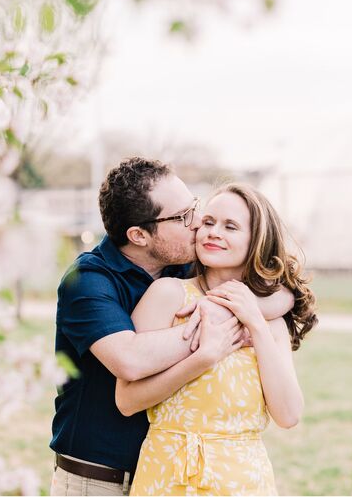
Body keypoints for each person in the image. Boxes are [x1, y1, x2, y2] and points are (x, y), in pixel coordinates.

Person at [50, 158, 294, 496]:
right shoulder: (88, 281)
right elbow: (130, 360)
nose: (198, 224)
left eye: (193, 206)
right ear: (139, 235)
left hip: (172, 473)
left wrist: (246, 310)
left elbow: (282, 292)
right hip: (99, 477)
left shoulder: (179, 264)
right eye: (182, 217)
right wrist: (213, 334)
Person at [117, 183, 318, 496]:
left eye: (231, 226)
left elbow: (288, 415)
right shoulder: (168, 295)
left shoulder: (270, 321)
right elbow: (127, 401)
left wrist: (255, 323)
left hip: (243, 481)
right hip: (168, 477)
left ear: (256, 240)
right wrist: (202, 359)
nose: (212, 232)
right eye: (208, 222)